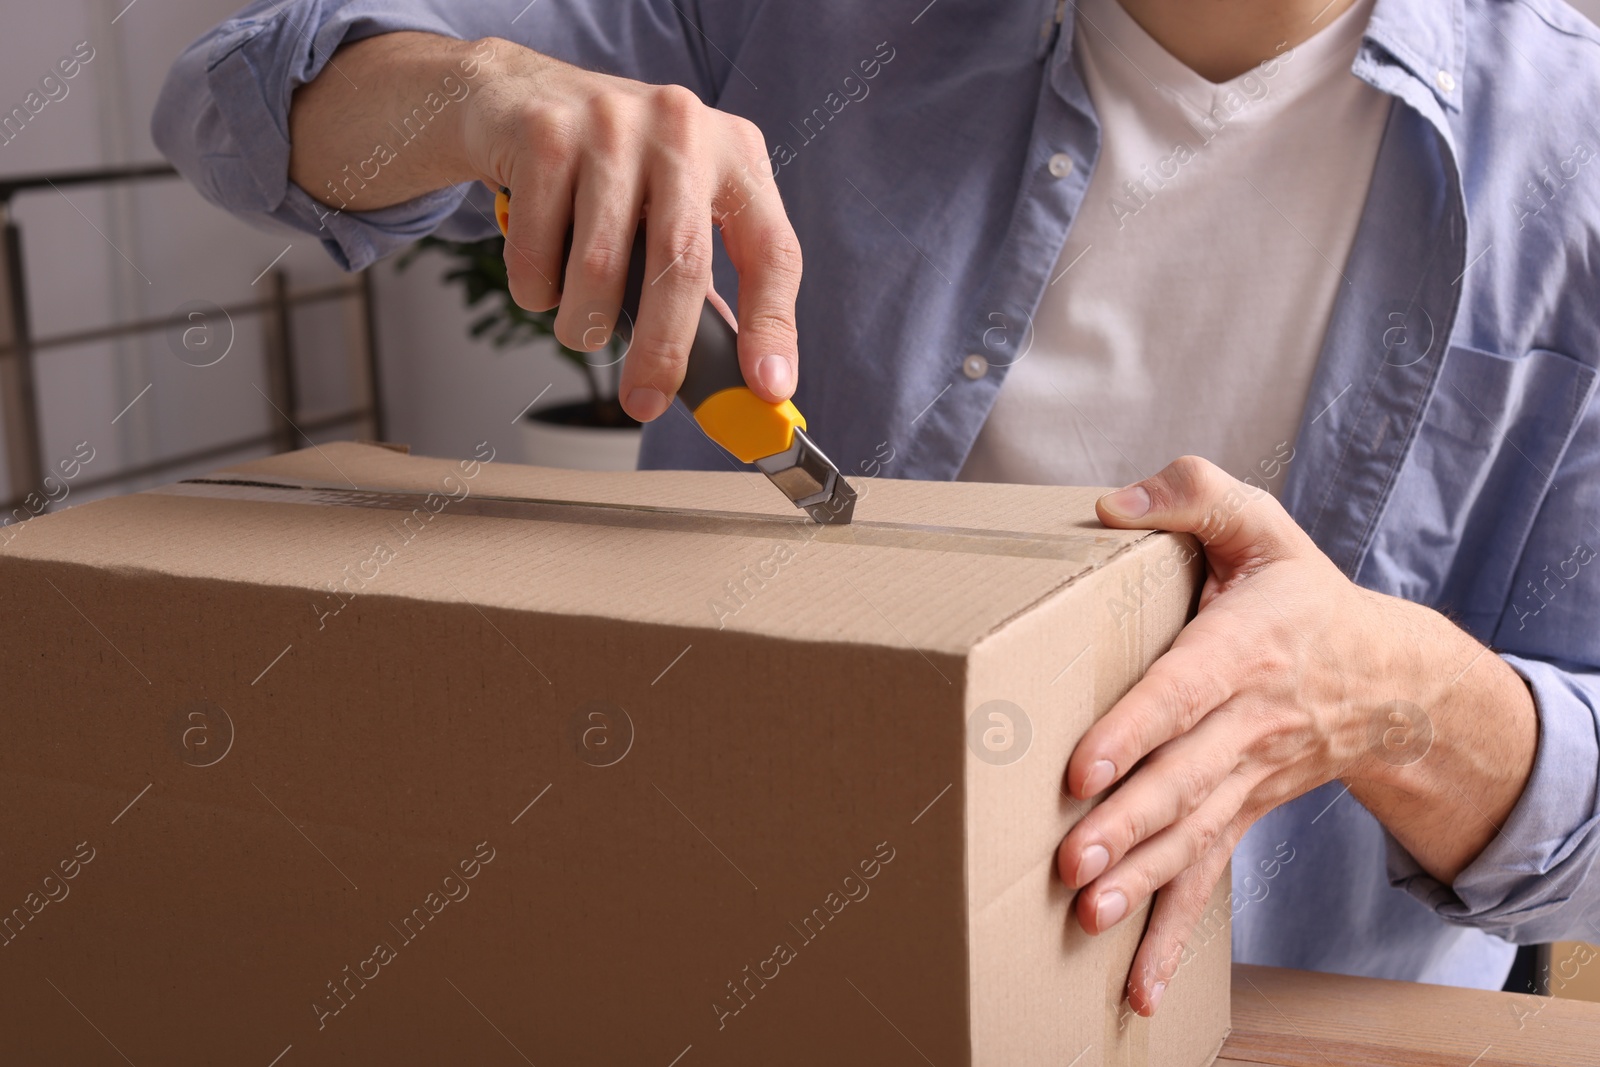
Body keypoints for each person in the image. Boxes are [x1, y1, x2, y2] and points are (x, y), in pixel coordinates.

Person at [154, 0, 1600, 1015]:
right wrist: (475, 96)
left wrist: (1395, 697)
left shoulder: (1574, 166)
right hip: (729, 965)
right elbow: (229, 107)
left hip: (1278, 1018)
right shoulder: (803, 23)